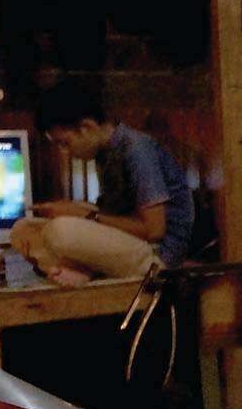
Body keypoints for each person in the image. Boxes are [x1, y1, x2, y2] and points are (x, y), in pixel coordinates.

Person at [19, 78, 195, 280]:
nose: (64, 152)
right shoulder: (105, 152)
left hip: (159, 256)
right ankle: (83, 270)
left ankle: (84, 270)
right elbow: (114, 215)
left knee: (61, 231)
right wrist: (75, 210)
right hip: (132, 243)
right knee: (24, 229)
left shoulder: (136, 149)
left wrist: (85, 216)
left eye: (64, 143)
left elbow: (154, 230)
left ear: (87, 127)